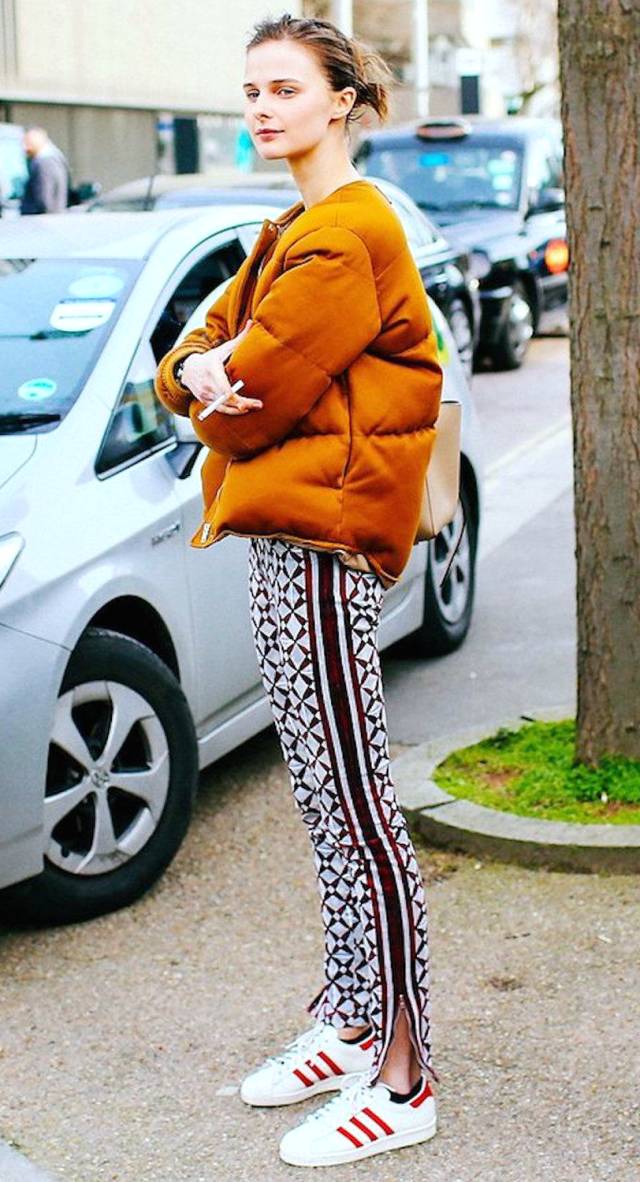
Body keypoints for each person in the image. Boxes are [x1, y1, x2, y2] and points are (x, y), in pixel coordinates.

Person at [154, 12, 443, 1168]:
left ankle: (405, 1076)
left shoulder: (346, 233)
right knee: (324, 796)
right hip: (289, 535)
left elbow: (255, 399)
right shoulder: (291, 228)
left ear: (342, 100)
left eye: (283, 88)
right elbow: (190, 359)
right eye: (250, 91)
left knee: (357, 805)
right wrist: (203, 373)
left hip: (323, 537)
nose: (262, 109)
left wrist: (222, 384)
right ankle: (351, 1017)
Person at [20, 126, 70, 214]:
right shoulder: (54, 159)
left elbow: (44, 199)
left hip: (41, 218)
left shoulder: (44, 163)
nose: (25, 148)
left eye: (28, 143)